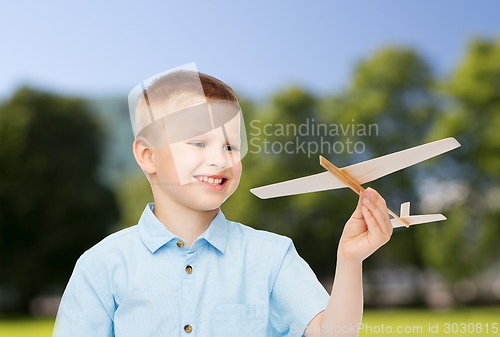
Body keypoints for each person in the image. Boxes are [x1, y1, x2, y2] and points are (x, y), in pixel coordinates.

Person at [53, 66, 393, 337]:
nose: (220, 159)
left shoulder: (271, 257)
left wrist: (350, 260)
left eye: (230, 146)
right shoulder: (101, 265)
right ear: (147, 156)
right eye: (198, 143)